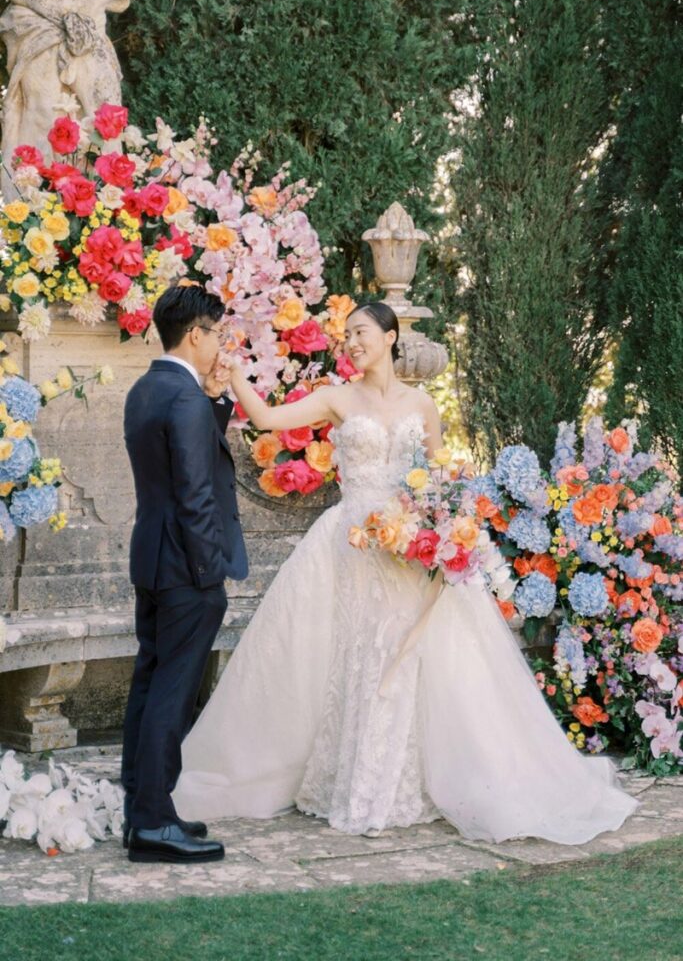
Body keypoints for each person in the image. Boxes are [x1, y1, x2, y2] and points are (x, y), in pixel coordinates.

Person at [173, 302, 637, 844]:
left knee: (418, 655)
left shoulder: (423, 403)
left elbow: (439, 479)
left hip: (411, 550)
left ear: (391, 337)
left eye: (361, 332)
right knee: (354, 653)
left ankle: (425, 780)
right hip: (352, 545)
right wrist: (234, 376)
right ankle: (359, 782)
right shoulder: (336, 398)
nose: (350, 342)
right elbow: (268, 420)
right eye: (346, 336)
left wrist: (443, 530)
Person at [121, 284, 248, 864]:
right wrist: (209, 575)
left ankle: (145, 812)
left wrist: (218, 401)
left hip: (152, 556)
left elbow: (181, 466)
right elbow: (196, 494)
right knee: (171, 695)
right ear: (194, 334)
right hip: (185, 570)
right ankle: (152, 824)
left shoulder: (148, 389)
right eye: (217, 332)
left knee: (150, 685)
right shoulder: (185, 399)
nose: (220, 342)